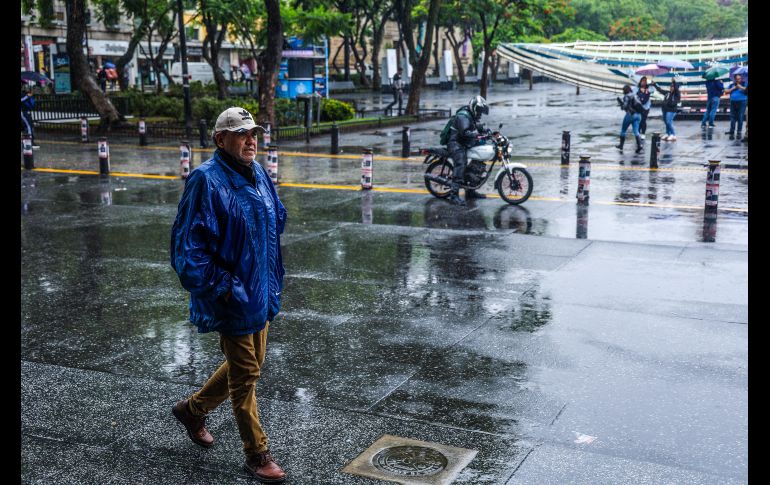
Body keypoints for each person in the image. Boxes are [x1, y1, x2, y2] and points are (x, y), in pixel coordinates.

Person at [169, 106, 288, 484]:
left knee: (250, 364)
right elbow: (187, 248)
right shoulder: (205, 180)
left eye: (254, 133)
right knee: (247, 373)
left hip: (262, 288)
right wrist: (223, 287)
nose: (251, 140)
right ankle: (257, 454)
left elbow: (276, 217)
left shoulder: (258, 174)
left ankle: (193, 409)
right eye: (241, 134)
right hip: (231, 294)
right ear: (221, 140)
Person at [446, 95, 489, 206]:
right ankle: (453, 195)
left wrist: (486, 130)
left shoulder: (469, 115)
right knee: (461, 163)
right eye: (478, 111)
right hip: (455, 143)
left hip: (464, 142)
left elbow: (474, 125)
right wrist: (477, 135)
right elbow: (465, 132)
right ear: (473, 107)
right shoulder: (462, 116)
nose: (479, 114)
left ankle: (470, 191)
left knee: (478, 159)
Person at [615, 84, 644, 153]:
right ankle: (640, 145)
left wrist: (621, 105)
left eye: (623, 90)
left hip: (630, 115)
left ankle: (621, 145)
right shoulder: (635, 95)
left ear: (625, 91)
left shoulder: (627, 96)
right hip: (638, 115)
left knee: (623, 130)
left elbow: (625, 106)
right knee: (636, 131)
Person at [724, 73, 747, 140]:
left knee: (740, 116)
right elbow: (726, 91)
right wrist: (734, 88)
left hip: (742, 102)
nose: (738, 80)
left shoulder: (744, 83)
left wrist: (740, 87)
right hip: (733, 102)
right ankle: (732, 130)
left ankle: (739, 131)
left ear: (741, 79)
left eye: (739, 79)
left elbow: (746, 89)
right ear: (735, 79)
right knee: (732, 116)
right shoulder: (732, 85)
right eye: (737, 79)